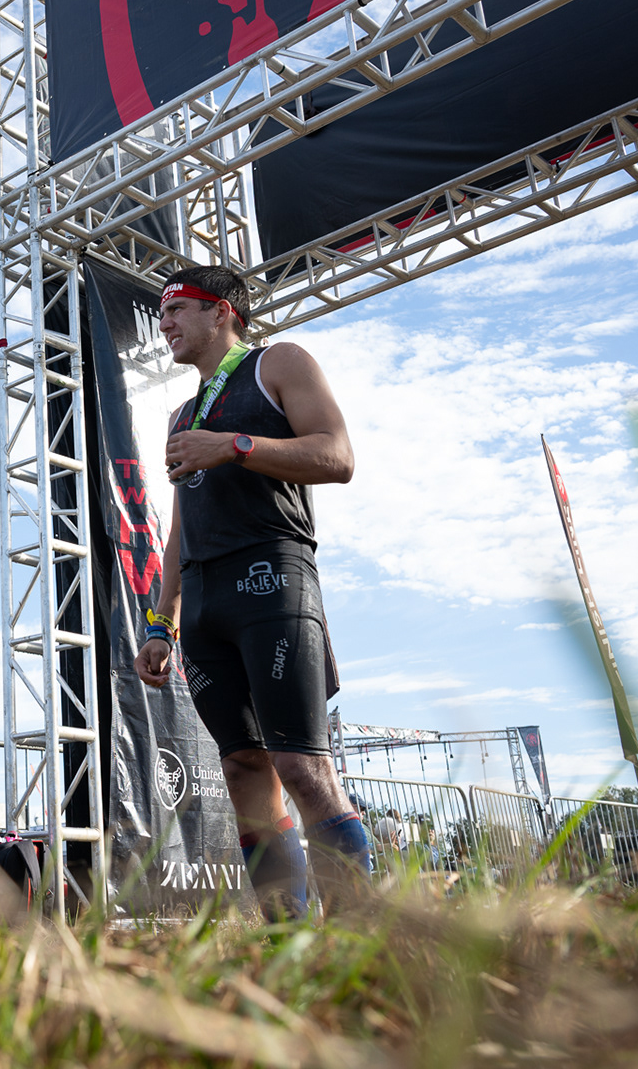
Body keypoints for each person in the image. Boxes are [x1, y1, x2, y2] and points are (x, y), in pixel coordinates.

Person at [134, 266, 372, 920]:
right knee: (242, 768)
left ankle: (362, 939)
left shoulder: (279, 362)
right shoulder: (182, 415)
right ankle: (285, 942)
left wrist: (235, 445)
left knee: (301, 767)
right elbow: (180, 527)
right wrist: (160, 622)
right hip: (204, 601)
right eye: (161, 312)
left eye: (177, 308)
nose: (164, 323)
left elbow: (338, 456)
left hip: (271, 577)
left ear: (222, 312)